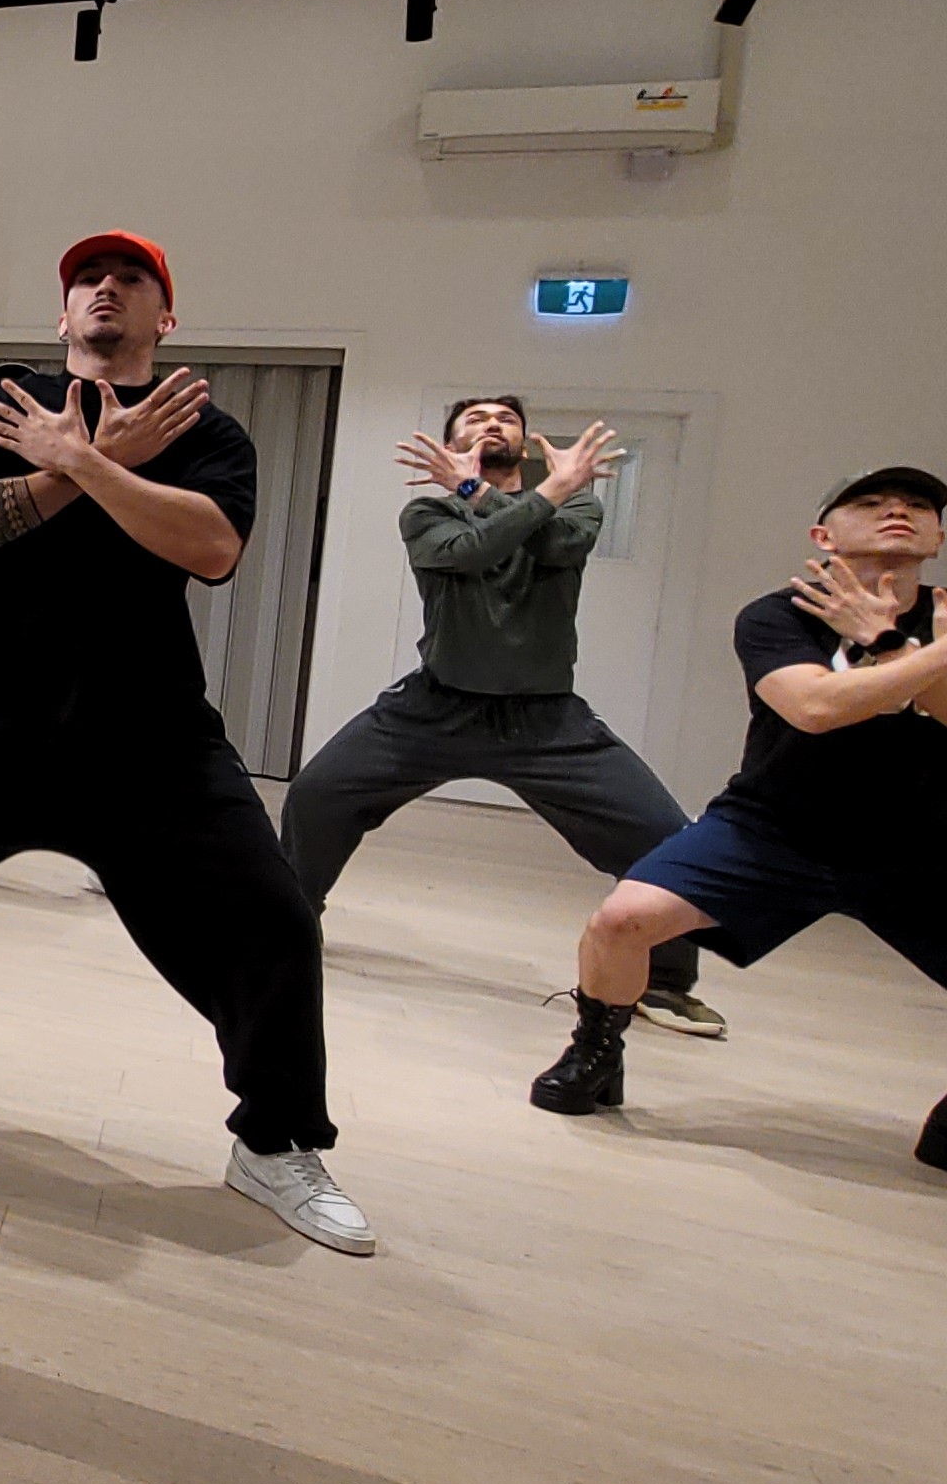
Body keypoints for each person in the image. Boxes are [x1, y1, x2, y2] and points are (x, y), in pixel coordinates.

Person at [0, 232, 376, 1258]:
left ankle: (274, 1142)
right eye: (86, 280)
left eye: (130, 278)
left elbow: (213, 547)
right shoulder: (6, 403)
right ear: (63, 318)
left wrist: (87, 460)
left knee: (273, 920)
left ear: (163, 318)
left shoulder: (205, 429)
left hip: (146, 727)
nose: (105, 288)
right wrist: (71, 464)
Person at [532, 468, 947, 1210]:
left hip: (928, 852)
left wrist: (889, 645)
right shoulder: (777, 615)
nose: (897, 511)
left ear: (939, 538)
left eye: (918, 506)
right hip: (769, 832)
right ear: (824, 536)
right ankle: (597, 1051)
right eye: (870, 502)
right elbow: (815, 708)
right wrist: (930, 663)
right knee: (621, 922)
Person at [279, 396, 732, 1038]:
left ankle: (663, 983)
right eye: (475, 419)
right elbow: (469, 552)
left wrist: (524, 492)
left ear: (523, 442)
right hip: (435, 706)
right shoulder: (428, 510)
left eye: (506, 419)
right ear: (449, 443)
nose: (492, 425)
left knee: (663, 835)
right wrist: (483, 491)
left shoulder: (577, 504)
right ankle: (290, 923)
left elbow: (558, 541)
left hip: (546, 720)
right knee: (317, 796)